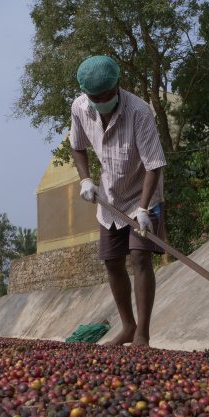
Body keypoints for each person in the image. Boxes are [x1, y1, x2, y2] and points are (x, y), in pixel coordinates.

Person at [69, 55, 167, 347]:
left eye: (106, 95)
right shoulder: (80, 108)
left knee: (140, 257)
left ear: (117, 87)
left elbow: (154, 164)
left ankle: (142, 335)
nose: (100, 101)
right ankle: (127, 326)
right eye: (94, 97)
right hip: (110, 197)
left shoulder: (139, 112)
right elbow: (77, 147)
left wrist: (144, 209)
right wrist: (86, 179)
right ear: (86, 94)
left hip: (144, 195)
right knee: (112, 261)